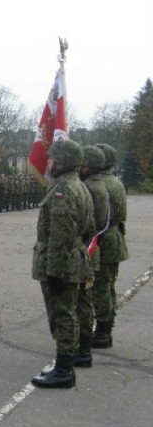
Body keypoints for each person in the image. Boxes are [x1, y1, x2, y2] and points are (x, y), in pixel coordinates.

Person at [30, 139, 94, 389]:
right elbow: (86, 229)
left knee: (62, 315)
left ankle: (64, 370)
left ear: (63, 162)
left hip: (61, 263)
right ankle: (65, 364)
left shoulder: (63, 190)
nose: (48, 162)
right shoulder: (78, 186)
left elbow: (62, 234)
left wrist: (55, 271)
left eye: (52, 159)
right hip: (73, 258)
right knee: (68, 312)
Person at [92, 144, 129, 348]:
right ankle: (105, 328)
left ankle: (103, 333)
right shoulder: (115, 181)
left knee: (101, 288)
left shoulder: (101, 184)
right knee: (107, 286)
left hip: (104, 239)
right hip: (114, 237)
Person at [77, 146, 109, 368]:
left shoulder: (92, 188)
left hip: (87, 248)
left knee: (82, 300)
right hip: (93, 245)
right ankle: (86, 343)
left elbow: (91, 223)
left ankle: (82, 347)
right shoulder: (100, 185)